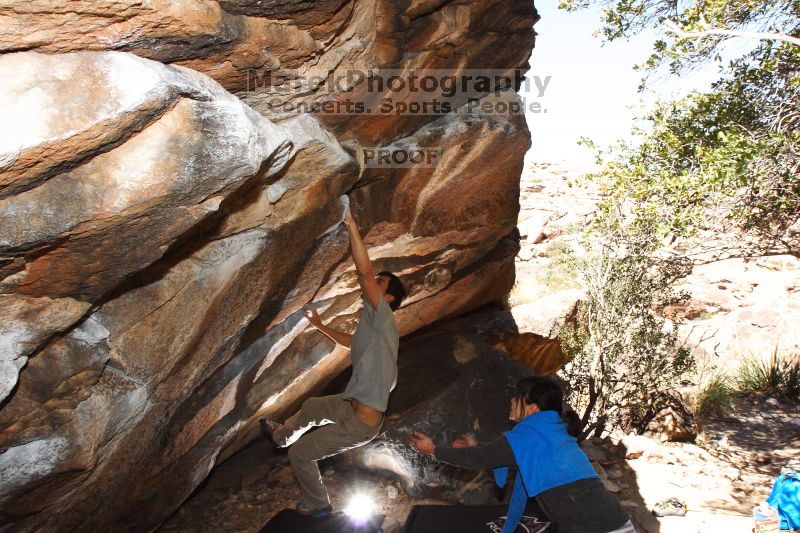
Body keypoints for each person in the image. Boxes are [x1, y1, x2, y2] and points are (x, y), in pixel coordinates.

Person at [260, 197, 406, 518]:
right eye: (376, 281)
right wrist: (321, 325)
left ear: (389, 297)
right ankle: (280, 436)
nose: (371, 284)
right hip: (348, 405)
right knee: (312, 407)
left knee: (303, 454)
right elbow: (350, 342)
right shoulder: (372, 328)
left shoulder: (383, 317)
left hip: (359, 423)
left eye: (380, 284)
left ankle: (319, 506)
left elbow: (364, 271)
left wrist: (351, 223)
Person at [408, 376, 633, 533]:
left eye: (517, 397)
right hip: (611, 521)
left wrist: (434, 450)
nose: (512, 401)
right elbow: (503, 451)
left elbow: (479, 457)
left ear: (533, 407)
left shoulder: (528, 436)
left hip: (597, 527)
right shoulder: (550, 430)